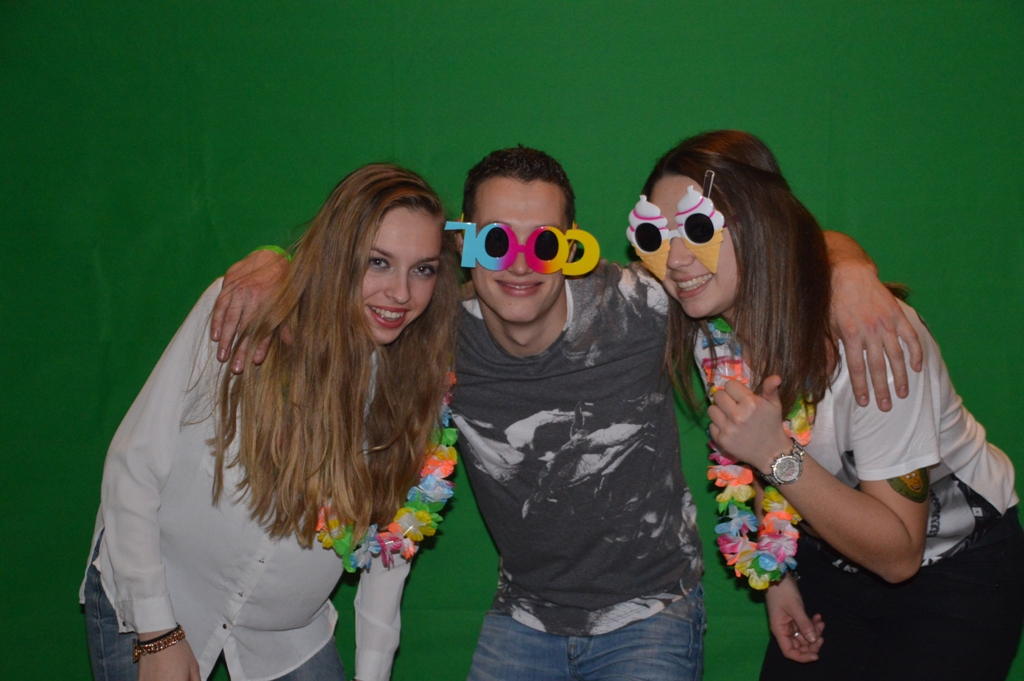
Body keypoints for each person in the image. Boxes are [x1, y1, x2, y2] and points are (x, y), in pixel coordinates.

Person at [214, 145, 922, 680]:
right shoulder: (432, 335)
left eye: (545, 242)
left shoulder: (643, 305)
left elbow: (770, 251)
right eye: (497, 240)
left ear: (572, 246)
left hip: (653, 614)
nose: (521, 264)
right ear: (462, 244)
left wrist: (849, 269)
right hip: (522, 617)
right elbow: (345, 278)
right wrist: (278, 262)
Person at [638, 130, 1024, 680]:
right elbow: (756, 467)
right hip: (829, 557)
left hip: (956, 565)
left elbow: (899, 555)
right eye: (655, 235)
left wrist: (773, 452)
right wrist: (777, 577)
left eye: (698, 228)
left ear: (761, 225)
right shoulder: (713, 335)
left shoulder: (870, 341)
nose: (676, 259)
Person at [80, 163, 460, 681]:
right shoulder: (244, 313)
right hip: (159, 598)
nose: (400, 293)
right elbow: (133, 467)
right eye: (378, 262)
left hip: (286, 637)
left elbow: (389, 552)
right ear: (337, 253)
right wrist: (157, 632)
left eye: (423, 270)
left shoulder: (418, 388)